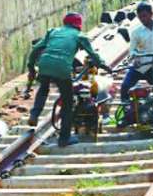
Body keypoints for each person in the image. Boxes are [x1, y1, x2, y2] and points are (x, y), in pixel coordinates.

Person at [27, 12, 108, 147]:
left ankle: (34, 114)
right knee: (67, 103)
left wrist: (31, 68)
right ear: (79, 25)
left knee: (43, 89)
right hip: (62, 67)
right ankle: (64, 138)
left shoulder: (52, 31)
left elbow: (36, 49)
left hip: (45, 63)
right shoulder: (80, 36)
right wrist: (102, 64)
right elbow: (92, 54)